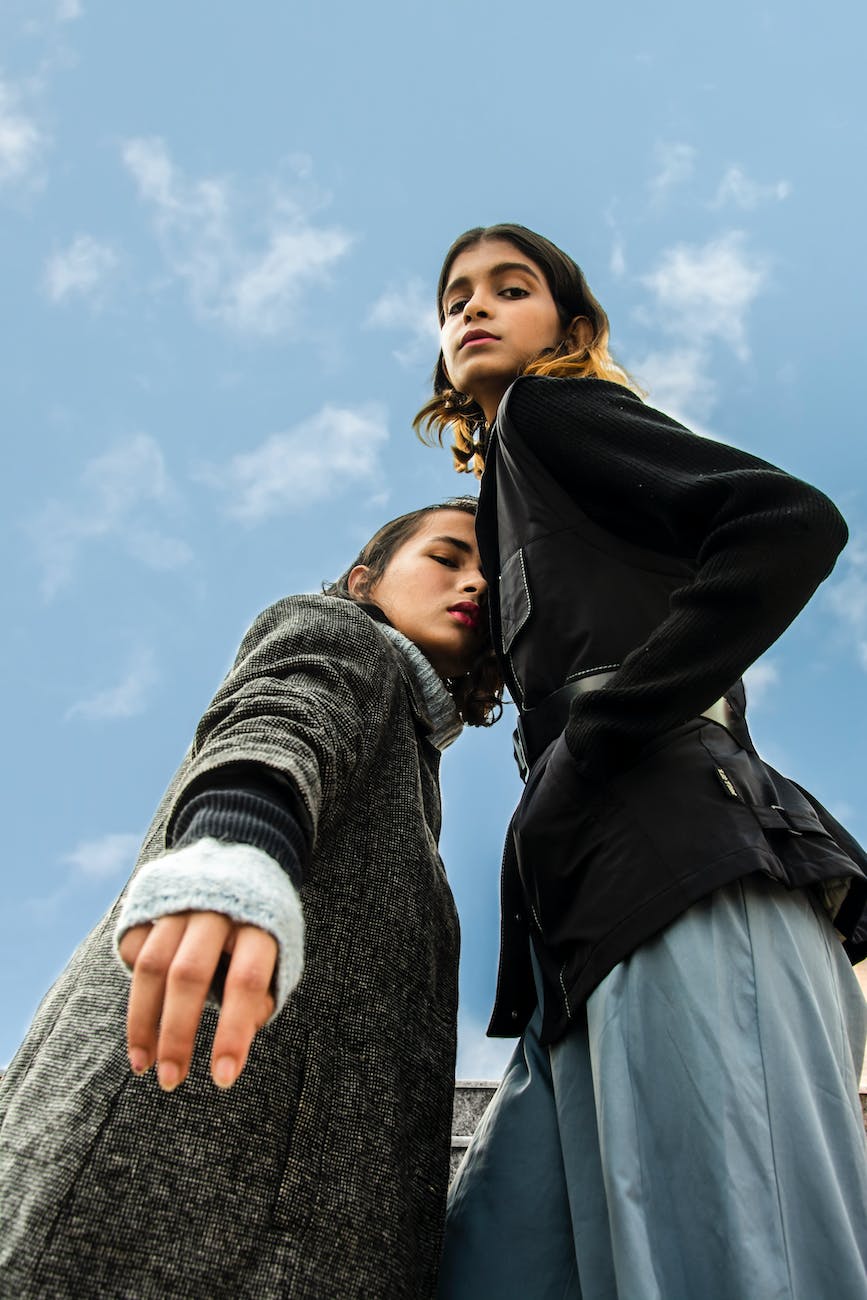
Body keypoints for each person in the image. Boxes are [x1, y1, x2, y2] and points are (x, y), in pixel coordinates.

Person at [416, 223, 867, 1299]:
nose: (473, 308)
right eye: (455, 298)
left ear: (567, 326)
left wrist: (603, 729)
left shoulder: (549, 411)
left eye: (509, 288)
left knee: (741, 1261)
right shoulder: (514, 487)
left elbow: (789, 522)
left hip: (684, 866)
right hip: (583, 916)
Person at [0, 498, 501, 1300]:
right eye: (446, 558)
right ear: (362, 581)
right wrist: (236, 850)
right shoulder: (340, 634)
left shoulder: (413, 769)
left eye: (491, 575)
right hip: (169, 1165)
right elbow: (286, 714)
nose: (474, 582)